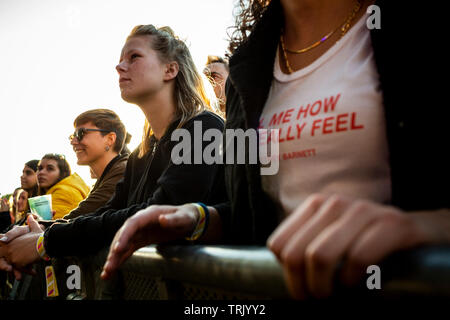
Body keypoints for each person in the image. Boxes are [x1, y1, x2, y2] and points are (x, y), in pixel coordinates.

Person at [99, 0, 450, 300]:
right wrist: (199, 219)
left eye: (134, 56)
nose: (120, 66)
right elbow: (255, 216)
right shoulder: (247, 70)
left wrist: (424, 227)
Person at [0, 24, 225, 277]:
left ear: (170, 69)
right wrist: (30, 234)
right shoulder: (141, 152)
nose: (119, 67)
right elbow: (106, 213)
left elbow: (160, 213)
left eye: (134, 57)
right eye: (120, 60)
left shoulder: (205, 128)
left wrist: (45, 243)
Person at [64, 109, 129, 219]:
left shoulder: (122, 172)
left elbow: (77, 218)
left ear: (110, 139)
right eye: (72, 136)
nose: (73, 142)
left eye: (81, 133)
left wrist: (42, 226)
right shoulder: (108, 175)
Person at [36, 153, 90, 219]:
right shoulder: (59, 190)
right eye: (40, 168)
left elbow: (49, 226)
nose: (41, 172)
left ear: (63, 173)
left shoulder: (64, 192)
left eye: (50, 169)